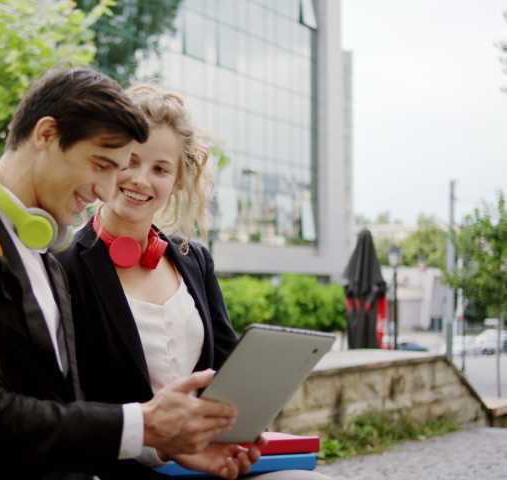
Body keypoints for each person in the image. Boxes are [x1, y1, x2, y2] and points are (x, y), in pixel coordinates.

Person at [0, 68, 263, 480]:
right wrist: (146, 426)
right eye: (102, 165)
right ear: (46, 135)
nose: (106, 189)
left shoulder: (39, 251)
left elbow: (60, 416)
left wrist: (166, 444)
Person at [56, 83, 334, 480]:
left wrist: (241, 423)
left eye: (160, 169)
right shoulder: (63, 268)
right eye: (130, 161)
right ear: (106, 162)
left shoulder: (195, 261)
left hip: (212, 463)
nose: (141, 179)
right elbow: (68, 405)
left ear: (178, 181)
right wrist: (160, 444)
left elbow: (228, 368)